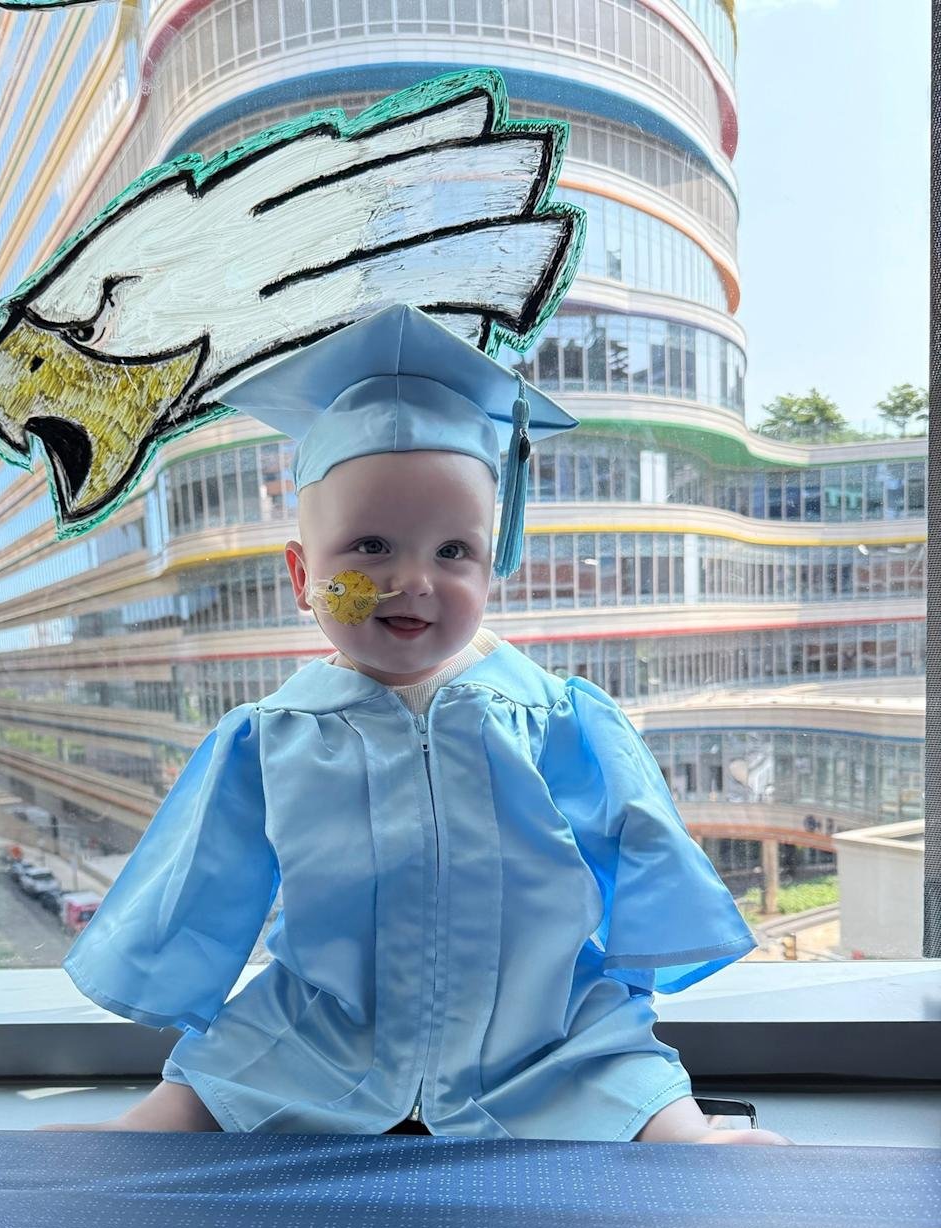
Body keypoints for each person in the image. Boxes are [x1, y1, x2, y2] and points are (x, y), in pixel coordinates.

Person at [41, 305, 790, 1146]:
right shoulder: (273, 737)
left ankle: (688, 1135)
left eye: (453, 552)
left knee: (634, 1083)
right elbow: (201, 876)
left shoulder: (556, 719)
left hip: (542, 1032)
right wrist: (168, 976)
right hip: (327, 1031)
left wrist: (641, 953)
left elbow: (639, 842)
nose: (413, 581)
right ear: (302, 575)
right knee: (216, 1074)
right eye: (370, 547)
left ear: (494, 565)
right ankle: (139, 1135)